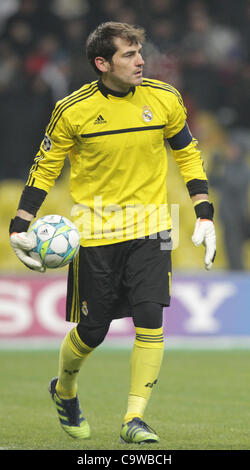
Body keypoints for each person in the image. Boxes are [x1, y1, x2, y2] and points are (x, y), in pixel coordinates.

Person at [9, 21, 216, 444]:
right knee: (93, 331)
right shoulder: (73, 110)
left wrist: (205, 214)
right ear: (102, 63)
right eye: (128, 54)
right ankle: (65, 388)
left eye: (139, 52)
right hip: (96, 232)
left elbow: (188, 155)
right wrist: (20, 223)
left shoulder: (164, 99)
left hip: (153, 228)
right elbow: (45, 167)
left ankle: (133, 418)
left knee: (150, 319)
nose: (140, 61)